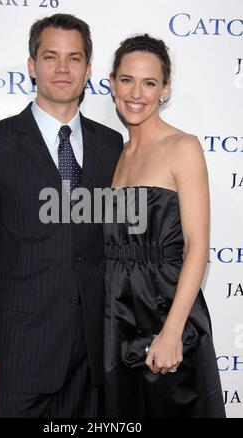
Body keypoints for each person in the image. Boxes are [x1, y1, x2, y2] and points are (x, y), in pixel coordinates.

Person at [0, 13, 123, 418]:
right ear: (32, 65)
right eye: (51, 57)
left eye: (74, 58)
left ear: (88, 69)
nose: (63, 69)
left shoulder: (112, 145)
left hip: (95, 358)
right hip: (23, 352)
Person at [103, 34, 226, 417]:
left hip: (164, 306)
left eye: (149, 82)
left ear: (165, 88)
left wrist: (172, 332)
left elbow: (197, 247)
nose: (136, 93)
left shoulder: (182, 146)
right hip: (117, 310)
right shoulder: (115, 153)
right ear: (112, 83)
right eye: (127, 80)